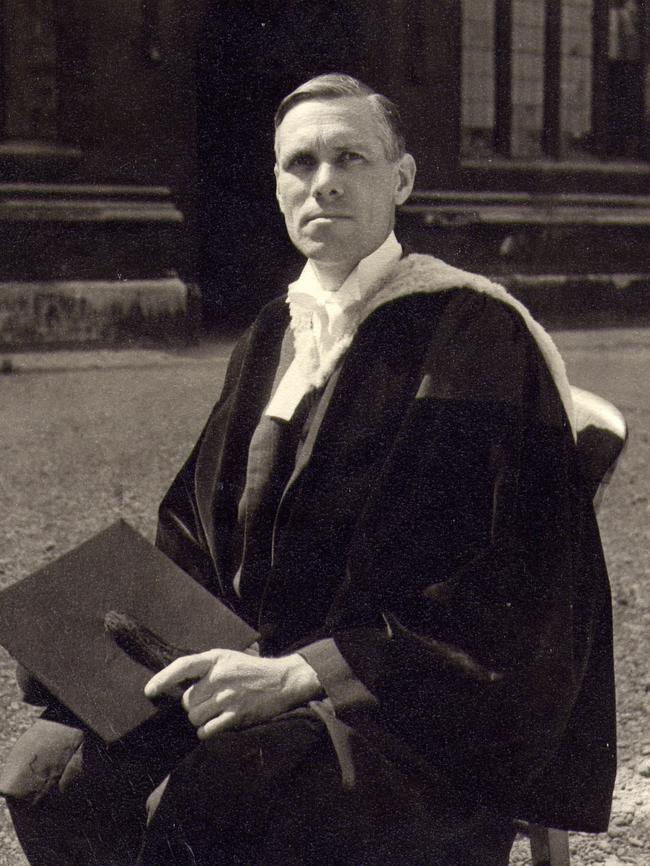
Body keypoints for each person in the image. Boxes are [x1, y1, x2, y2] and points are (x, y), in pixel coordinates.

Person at [0, 74, 616, 866]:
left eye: (348, 158)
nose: (321, 183)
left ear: (401, 180)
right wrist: (103, 636)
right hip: (255, 666)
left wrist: (304, 673)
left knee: (215, 799)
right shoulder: (275, 332)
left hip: (405, 713)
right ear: (278, 185)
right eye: (299, 164)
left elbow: (514, 589)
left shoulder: (475, 339)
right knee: (47, 775)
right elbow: (197, 524)